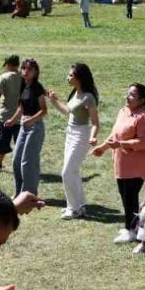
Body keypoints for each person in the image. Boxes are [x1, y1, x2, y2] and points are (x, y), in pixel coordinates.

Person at [94, 83, 145, 244]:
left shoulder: (144, 118)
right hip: (122, 162)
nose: (127, 97)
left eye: (132, 95)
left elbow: (142, 142)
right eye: (128, 93)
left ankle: (131, 230)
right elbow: (115, 134)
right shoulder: (123, 112)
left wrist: (121, 144)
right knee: (124, 194)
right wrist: (103, 147)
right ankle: (132, 226)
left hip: (136, 165)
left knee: (130, 196)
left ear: (142, 100)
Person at [45, 63, 101, 220]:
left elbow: (96, 122)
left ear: (80, 78)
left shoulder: (88, 97)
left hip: (81, 135)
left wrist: (93, 136)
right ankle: (78, 204)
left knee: (67, 171)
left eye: (71, 75)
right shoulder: (75, 94)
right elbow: (67, 112)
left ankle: (74, 209)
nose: (67, 77)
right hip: (70, 134)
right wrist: (54, 100)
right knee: (73, 171)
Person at [3, 58, 48, 196]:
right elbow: (22, 107)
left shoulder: (37, 87)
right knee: (16, 160)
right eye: (24, 68)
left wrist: (31, 120)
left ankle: (29, 195)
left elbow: (44, 110)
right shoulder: (23, 85)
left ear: (35, 72)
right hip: (24, 125)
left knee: (27, 162)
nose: (26, 71)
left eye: (30, 69)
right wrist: (12, 120)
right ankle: (18, 193)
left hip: (35, 128)